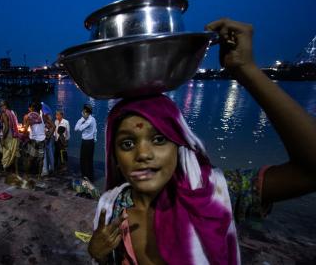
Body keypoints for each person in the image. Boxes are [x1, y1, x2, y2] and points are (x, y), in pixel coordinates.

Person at [88, 19, 316, 264]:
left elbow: (310, 170)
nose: (143, 153)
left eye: (159, 139)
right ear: (115, 157)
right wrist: (98, 255)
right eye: (127, 144)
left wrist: (246, 70)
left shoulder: (215, 194)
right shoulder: (111, 210)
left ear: (180, 145)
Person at [75, 104, 97, 181]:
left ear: (86, 112)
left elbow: (77, 128)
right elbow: (95, 131)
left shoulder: (88, 121)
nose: (82, 112)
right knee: (89, 160)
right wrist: (94, 140)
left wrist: (81, 119)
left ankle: (85, 177)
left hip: (86, 142)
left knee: (83, 160)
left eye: (83, 111)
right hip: (91, 142)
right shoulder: (93, 119)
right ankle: (90, 177)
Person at [23, 102, 46, 178]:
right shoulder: (42, 116)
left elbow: (25, 130)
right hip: (42, 139)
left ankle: (26, 175)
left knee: (30, 158)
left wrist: (25, 132)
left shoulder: (30, 116)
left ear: (33, 108)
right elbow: (51, 125)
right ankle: (39, 176)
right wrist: (48, 135)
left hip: (34, 140)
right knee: (41, 159)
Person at [0, 100, 20, 175]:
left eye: (1, 106)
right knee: (15, 153)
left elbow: (7, 127)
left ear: (5, 106)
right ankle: (16, 171)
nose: (0, 107)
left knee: (6, 153)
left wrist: (2, 139)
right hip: (15, 136)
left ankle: (5, 170)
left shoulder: (5, 114)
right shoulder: (11, 113)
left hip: (9, 136)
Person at [41, 103, 56, 176]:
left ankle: (48, 169)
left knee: (48, 152)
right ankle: (50, 168)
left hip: (49, 136)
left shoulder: (46, 117)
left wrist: (48, 136)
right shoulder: (45, 110)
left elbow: (53, 126)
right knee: (49, 152)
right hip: (49, 135)